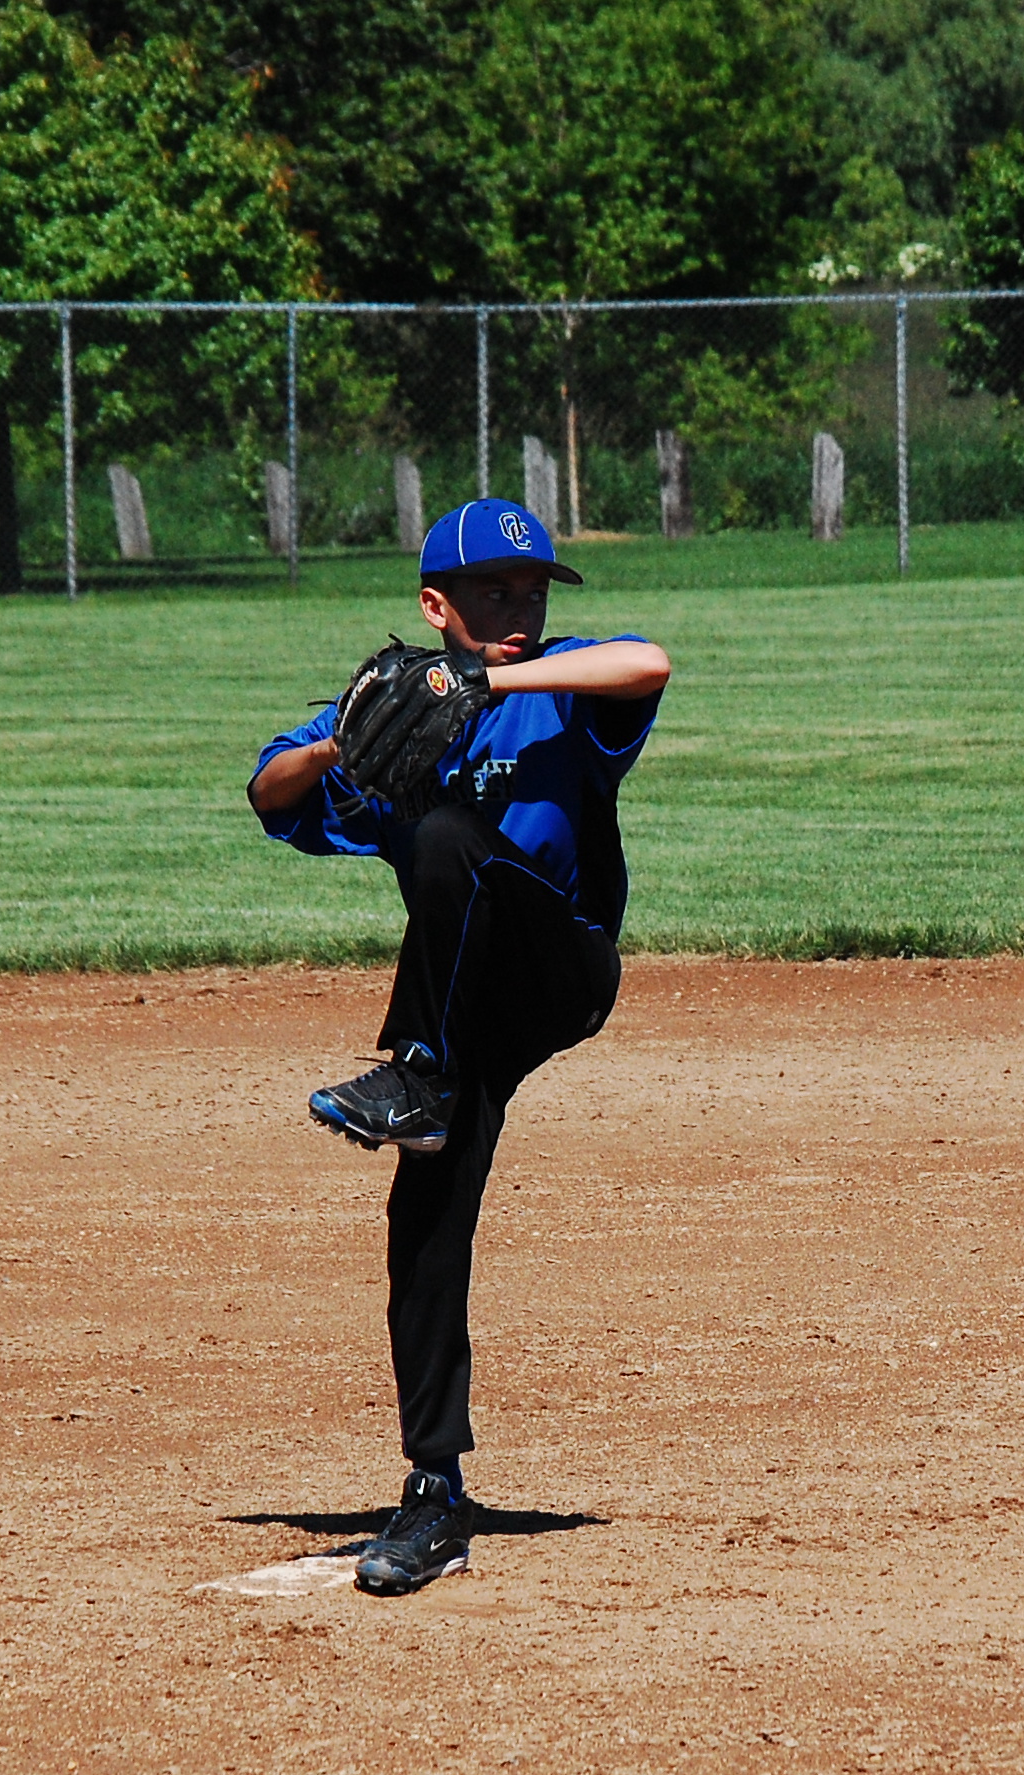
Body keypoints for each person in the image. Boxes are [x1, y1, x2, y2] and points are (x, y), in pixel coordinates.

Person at [246, 499, 671, 1594]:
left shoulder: (558, 690)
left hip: (562, 960)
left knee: (448, 837)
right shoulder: (399, 711)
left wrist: (487, 683)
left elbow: (647, 663)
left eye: (532, 590)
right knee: (422, 1225)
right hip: (468, 1006)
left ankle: (416, 1076)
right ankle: (434, 1489)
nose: (520, 608)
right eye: (493, 591)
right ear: (435, 605)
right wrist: (344, 740)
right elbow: (268, 790)